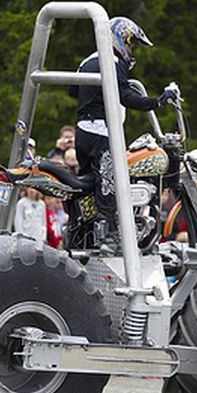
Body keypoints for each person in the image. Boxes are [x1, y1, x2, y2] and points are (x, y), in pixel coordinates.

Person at [68, 17, 176, 245]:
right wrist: (157, 102)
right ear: (121, 38)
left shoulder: (88, 60)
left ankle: (83, 232)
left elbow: (72, 90)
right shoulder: (111, 62)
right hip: (101, 132)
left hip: (82, 132)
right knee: (110, 183)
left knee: (90, 182)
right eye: (131, 43)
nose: (131, 49)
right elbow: (126, 97)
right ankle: (111, 235)